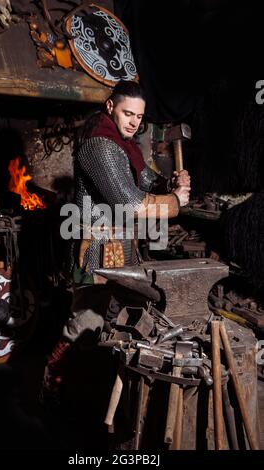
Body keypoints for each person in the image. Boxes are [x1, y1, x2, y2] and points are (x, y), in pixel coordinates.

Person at [42, 80, 191, 400]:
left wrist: (172, 182)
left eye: (139, 116)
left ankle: (97, 382)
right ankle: (54, 374)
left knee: (121, 313)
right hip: (96, 247)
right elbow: (132, 202)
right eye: (128, 113)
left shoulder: (126, 146)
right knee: (86, 318)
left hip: (120, 245)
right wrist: (176, 202)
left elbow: (148, 181)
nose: (134, 122)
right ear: (110, 107)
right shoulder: (100, 144)